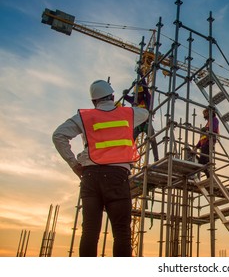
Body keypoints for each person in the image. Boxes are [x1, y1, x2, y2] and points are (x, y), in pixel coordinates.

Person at [52, 80, 149, 257]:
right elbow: (145, 113)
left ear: (93, 102)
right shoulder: (128, 114)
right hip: (117, 177)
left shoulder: (84, 117)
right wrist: (123, 105)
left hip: (90, 176)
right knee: (121, 232)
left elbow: (58, 135)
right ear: (112, 96)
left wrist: (74, 164)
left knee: (90, 231)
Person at [123, 78, 159, 161]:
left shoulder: (147, 99)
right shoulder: (134, 100)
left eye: (139, 94)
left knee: (153, 140)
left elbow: (146, 88)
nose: (137, 96)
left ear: (142, 93)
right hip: (138, 124)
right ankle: (126, 158)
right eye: (136, 94)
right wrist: (125, 93)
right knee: (130, 141)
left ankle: (156, 159)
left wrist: (142, 77)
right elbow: (126, 97)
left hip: (147, 123)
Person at [195, 108, 219, 178]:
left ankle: (209, 175)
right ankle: (208, 174)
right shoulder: (208, 124)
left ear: (209, 113)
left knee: (202, 162)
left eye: (205, 113)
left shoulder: (214, 120)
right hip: (204, 144)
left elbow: (213, 128)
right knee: (202, 162)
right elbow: (202, 138)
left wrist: (206, 129)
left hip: (209, 143)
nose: (204, 115)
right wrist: (196, 147)